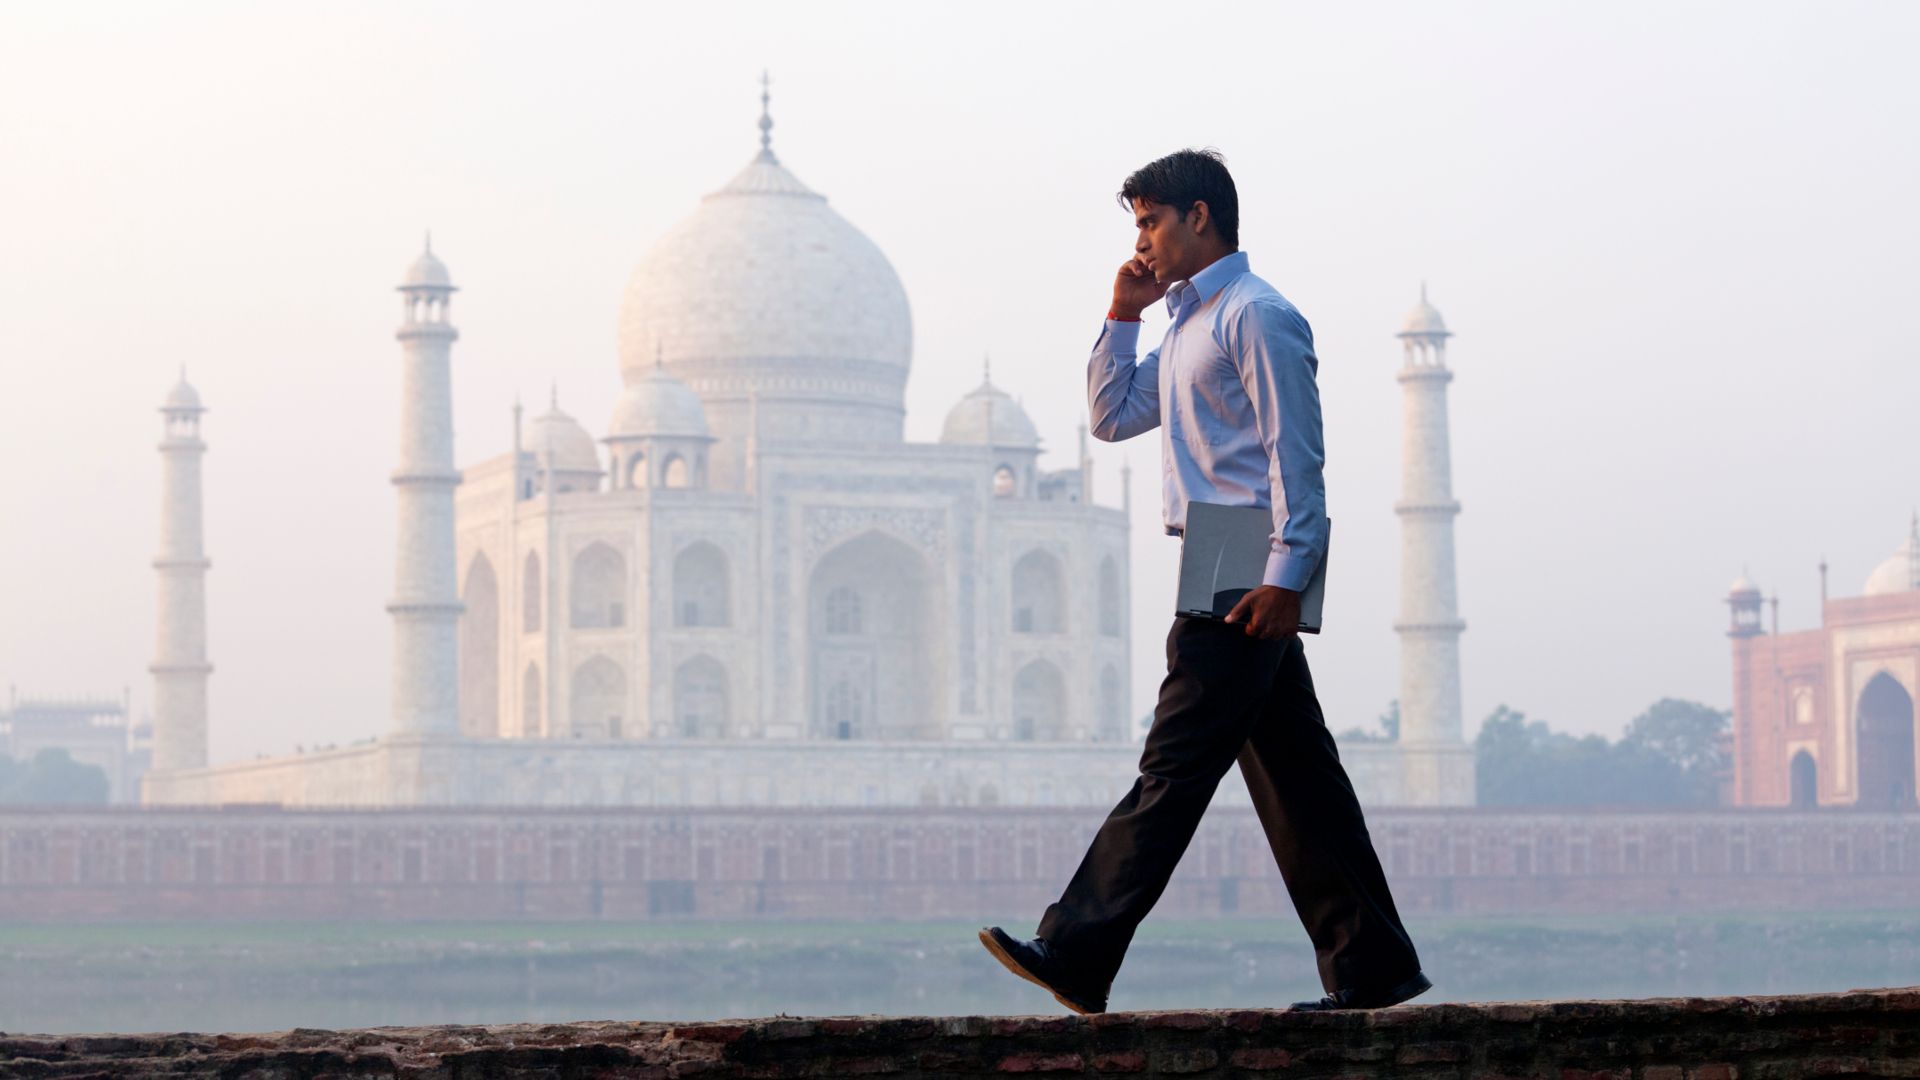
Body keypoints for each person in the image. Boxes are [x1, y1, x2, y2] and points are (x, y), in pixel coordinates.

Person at [978, 148, 1429, 1015]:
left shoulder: (1257, 316)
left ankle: (1078, 948)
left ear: (1198, 216)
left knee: (1175, 765)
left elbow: (1295, 457)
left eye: (1149, 221)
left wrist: (1288, 576)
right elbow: (1112, 418)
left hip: (1248, 555)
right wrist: (1123, 313)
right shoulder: (1188, 322)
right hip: (1218, 552)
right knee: (1299, 779)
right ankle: (1372, 965)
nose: (1141, 240)